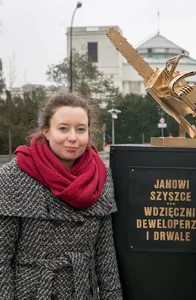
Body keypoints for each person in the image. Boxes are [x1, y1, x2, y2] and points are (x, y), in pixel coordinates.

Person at [0, 92, 123, 299]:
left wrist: (113, 295)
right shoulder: (13, 176)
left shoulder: (101, 175)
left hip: (83, 291)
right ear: (46, 131)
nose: (72, 138)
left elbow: (105, 254)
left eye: (80, 129)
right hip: (32, 292)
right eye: (63, 129)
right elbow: (2, 258)